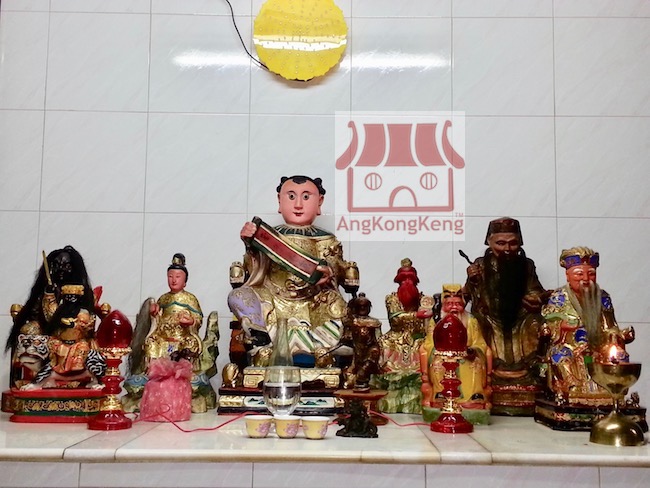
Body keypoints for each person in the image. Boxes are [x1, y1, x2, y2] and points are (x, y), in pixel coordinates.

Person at [227, 175, 357, 366]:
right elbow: (254, 271)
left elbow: (337, 269)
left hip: (313, 302)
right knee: (238, 296)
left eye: (306, 197)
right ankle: (261, 339)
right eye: (291, 196)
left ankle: (320, 351)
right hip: (273, 300)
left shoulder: (326, 239)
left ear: (319, 202)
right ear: (279, 201)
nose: (298, 204)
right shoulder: (268, 237)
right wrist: (250, 245)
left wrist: (329, 272)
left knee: (339, 308)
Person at [540, 247, 634, 404]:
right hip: (569, 344)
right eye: (579, 274)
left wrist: (619, 335)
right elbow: (548, 325)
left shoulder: (603, 297)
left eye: (591, 274)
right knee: (561, 356)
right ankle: (572, 390)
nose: (585, 279)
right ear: (568, 275)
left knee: (619, 355)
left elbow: (610, 325)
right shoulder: (559, 297)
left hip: (599, 345)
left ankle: (613, 391)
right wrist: (562, 326)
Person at [463, 218, 547, 388]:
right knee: (477, 324)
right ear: (489, 242)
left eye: (513, 243)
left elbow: (535, 289)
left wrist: (535, 298)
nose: (507, 249)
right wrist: (473, 281)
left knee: (536, 323)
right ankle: (488, 371)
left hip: (520, 318)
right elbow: (467, 296)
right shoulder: (480, 265)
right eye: (501, 243)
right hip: (490, 318)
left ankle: (529, 369)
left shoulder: (526, 265)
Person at [371, 259, 431, 413]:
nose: (407, 282)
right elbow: (395, 318)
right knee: (383, 345)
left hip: (417, 337)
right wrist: (417, 315)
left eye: (410, 279)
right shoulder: (392, 298)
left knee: (427, 348)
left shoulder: (423, 299)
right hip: (396, 336)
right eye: (404, 280)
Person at [420, 284, 490, 409]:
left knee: (475, 363)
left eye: (457, 304)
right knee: (437, 364)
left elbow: (480, 342)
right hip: (443, 354)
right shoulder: (436, 321)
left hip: (465, 354)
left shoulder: (471, 320)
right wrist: (440, 351)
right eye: (450, 304)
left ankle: (474, 395)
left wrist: (473, 350)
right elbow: (429, 343)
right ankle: (441, 394)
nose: (454, 307)